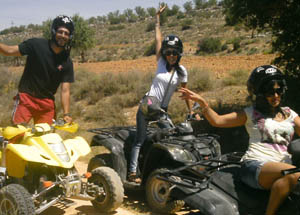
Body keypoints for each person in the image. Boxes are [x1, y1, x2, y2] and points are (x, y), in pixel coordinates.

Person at [179, 65, 300, 215]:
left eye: (279, 90)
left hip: (283, 167)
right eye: (270, 91)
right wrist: (204, 104)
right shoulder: (250, 114)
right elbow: (218, 121)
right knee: (293, 174)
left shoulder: (290, 114)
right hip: (255, 165)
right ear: (260, 93)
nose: (275, 95)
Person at [128, 5, 193, 183]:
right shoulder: (161, 63)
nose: (171, 55)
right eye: (168, 52)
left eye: (174, 53)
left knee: (172, 134)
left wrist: (191, 111)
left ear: (179, 53)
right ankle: (133, 172)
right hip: (148, 105)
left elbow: (186, 93)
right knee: (139, 140)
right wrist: (157, 20)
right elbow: (157, 40)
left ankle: (166, 168)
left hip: (162, 110)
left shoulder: (182, 72)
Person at [0, 15, 75, 125]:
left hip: (47, 104)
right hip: (26, 99)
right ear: (54, 31)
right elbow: (9, 51)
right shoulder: (36, 45)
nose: (63, 36)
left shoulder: (67, 61)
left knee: (46, 139)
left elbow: (65, 90)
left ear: (70, 36)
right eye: (60, 32)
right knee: (16, 136)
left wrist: (66, 114)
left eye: (66, 33)